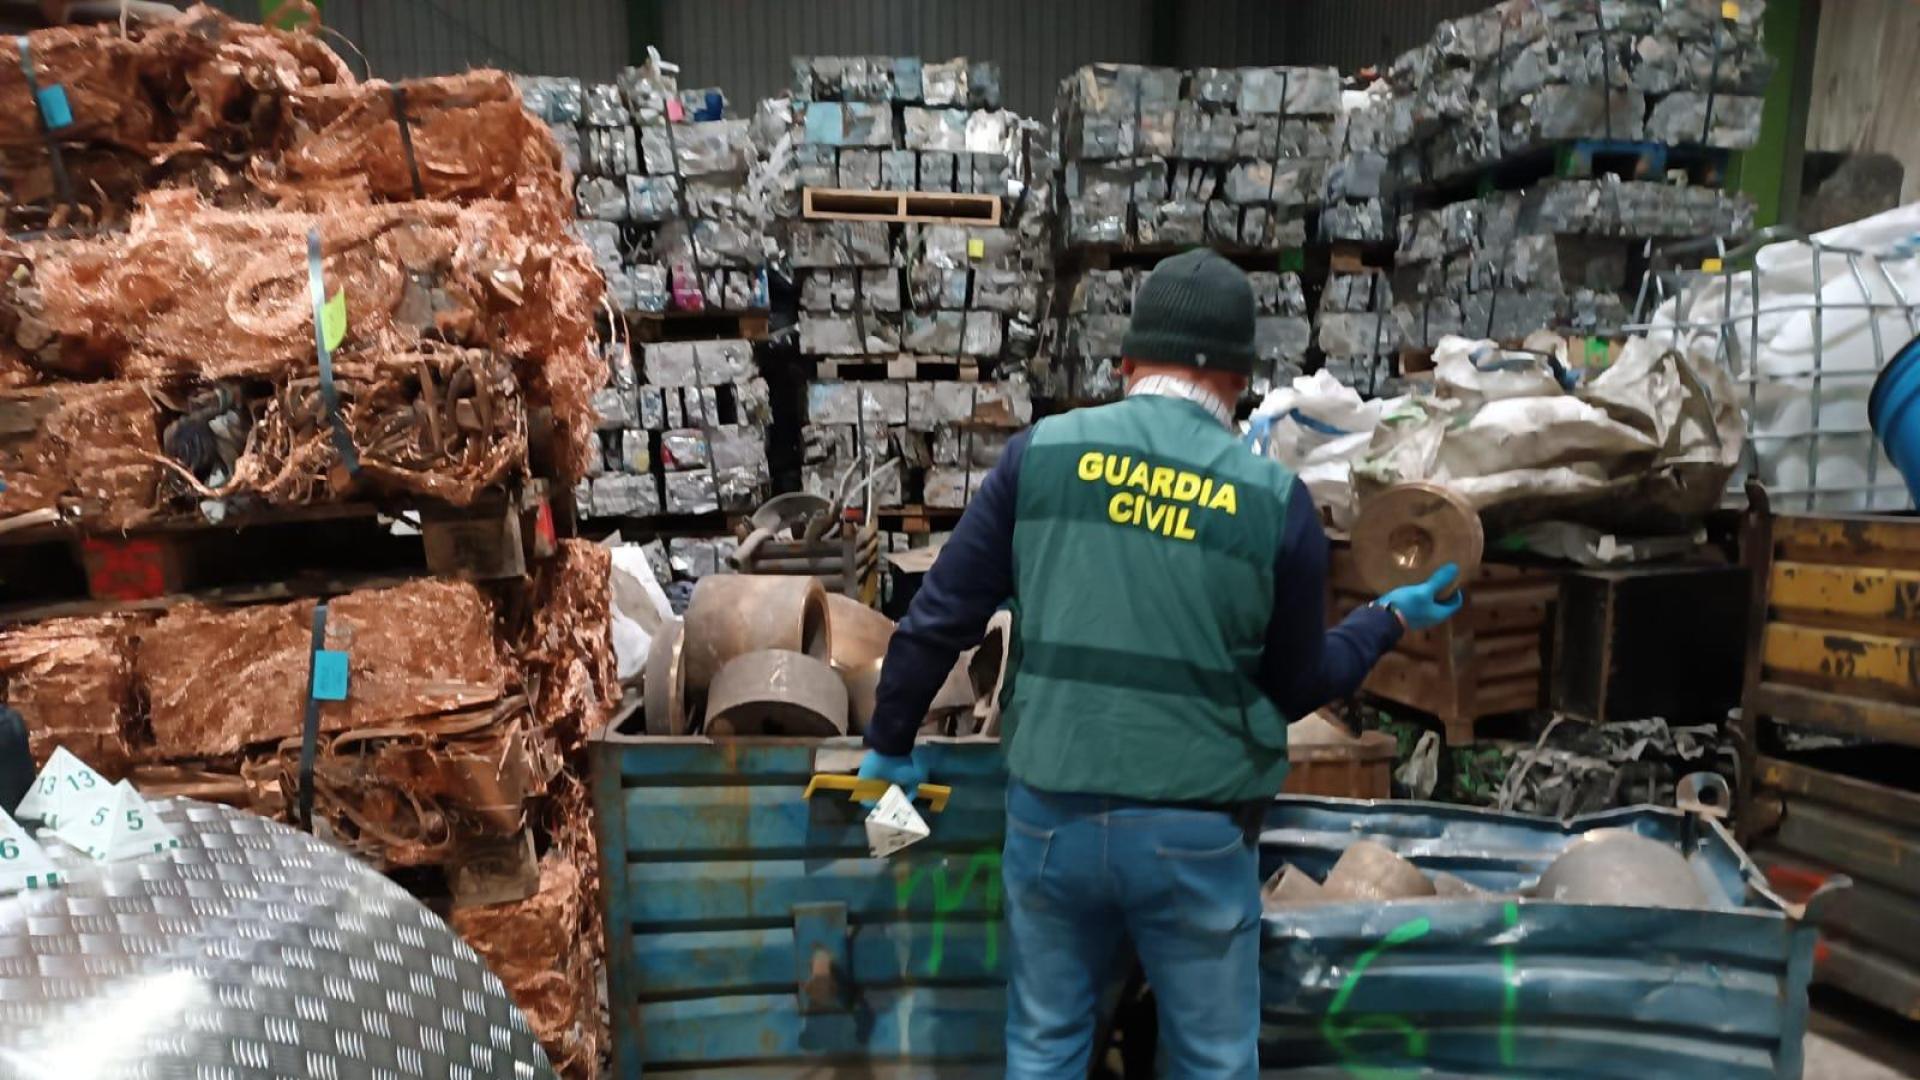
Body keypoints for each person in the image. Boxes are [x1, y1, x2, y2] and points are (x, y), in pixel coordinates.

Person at [856, 247, 1463, 1079]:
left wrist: (890, 741)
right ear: (1239, 382)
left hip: (1052, 821)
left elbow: (939, 618)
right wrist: (1385, 619)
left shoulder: (1041, 456)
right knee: (1212, 1059)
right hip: (1195, 837)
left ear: (1127, 364)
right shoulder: (1273, 502)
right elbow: (1297, 687)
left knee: (1044, 1046)